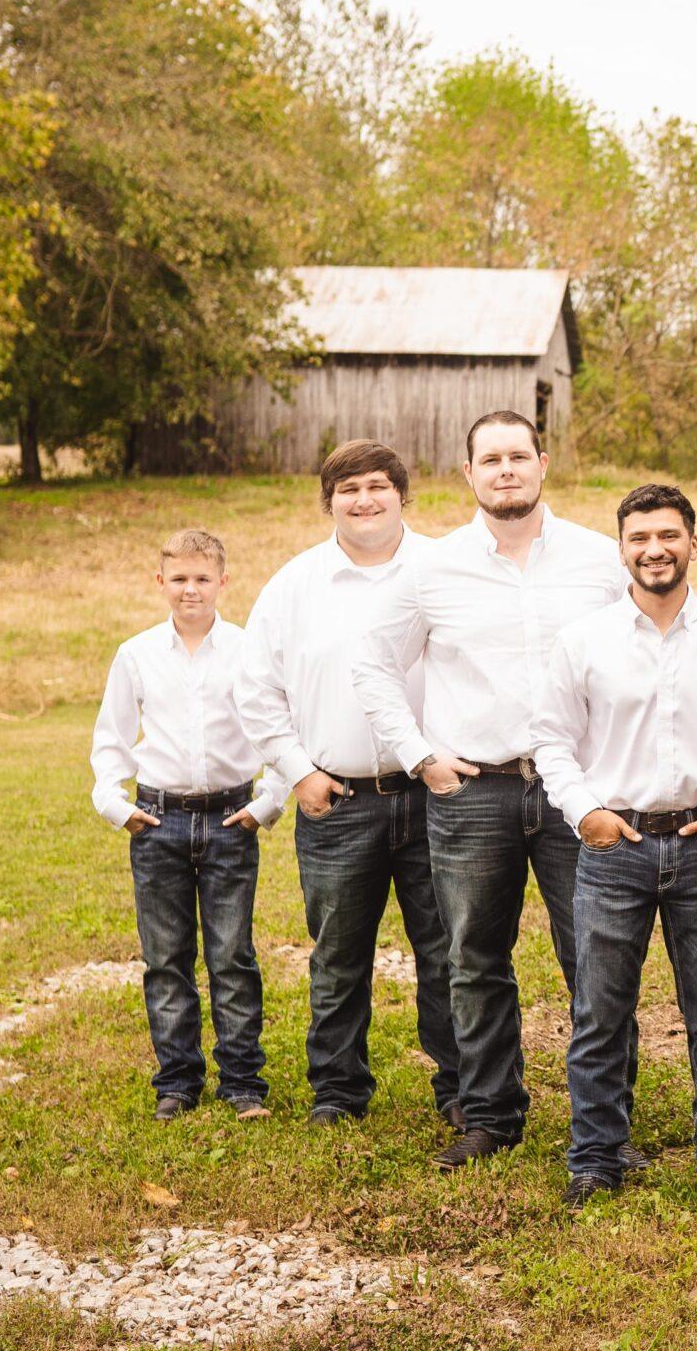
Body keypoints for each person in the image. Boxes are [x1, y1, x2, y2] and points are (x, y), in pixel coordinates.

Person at [350, 410, 627, 1170]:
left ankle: (607, 1124)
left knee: (596, 958)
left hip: (579, 792)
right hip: (474, 793)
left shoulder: (602, 561)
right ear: (468, 476)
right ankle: (490, 1115)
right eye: (489, 460)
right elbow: (372, 664)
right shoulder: (432, 570)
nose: (506, 470)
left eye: (518, 456)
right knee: (473, 958)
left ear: (543, 463)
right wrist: (420, 755)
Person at [532, 484, 697, 1208]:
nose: (654, 550)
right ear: (621, 548)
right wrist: (586, 813)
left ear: (694, 542)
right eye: (639, 538)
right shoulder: (583, 640)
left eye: (668, 535)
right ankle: (595, 1157)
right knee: (600, 1012)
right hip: (612, 848)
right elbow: (552, 741)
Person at [237, 440, 463, 1130]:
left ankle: (463, 1088)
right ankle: (337, 1091)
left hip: (436, 797)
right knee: (338, 953)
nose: (364, 499)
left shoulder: (445, 570)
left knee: (450, 948)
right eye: (348, 489)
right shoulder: (295, 584)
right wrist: (298, 771)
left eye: (378, 486)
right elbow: (255, 689)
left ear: (403, 493)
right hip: (337, 799)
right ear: (328, 500)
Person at [89, 527, 285, 1122]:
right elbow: (111, 738)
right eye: (178, 579)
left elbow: (278, 732)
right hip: (160, 822)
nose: (190, 589)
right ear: (160, 583)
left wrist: (269, 801)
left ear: (223, 582)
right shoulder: (137, 653)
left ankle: (242, 1081)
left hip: (231, 820)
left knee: (231, 955)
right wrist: (117, 805)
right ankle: (177, 1081)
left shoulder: (250, 650)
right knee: (166, 958)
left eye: (203, 578)